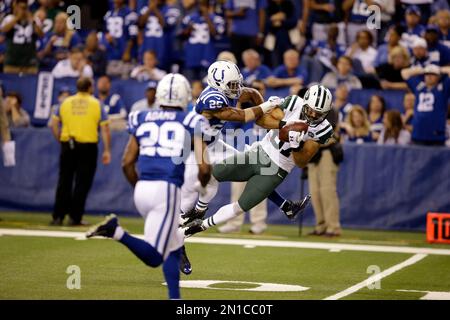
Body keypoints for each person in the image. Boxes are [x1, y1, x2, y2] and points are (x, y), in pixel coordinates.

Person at [86, 73, 212, 300]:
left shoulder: (141, 116)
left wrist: (139, 187)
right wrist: (203, 187)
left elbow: (126, 162)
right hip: (167, 190)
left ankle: (175, 298)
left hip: (142, 188)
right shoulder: (191, 119)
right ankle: (115, 231)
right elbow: (204, 168)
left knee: (173, 245)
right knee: (155, 257)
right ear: (184, 96)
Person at [182, 84, 334, 237]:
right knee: (213, 174)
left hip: (277, 169)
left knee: (241, 206)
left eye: (318, 113)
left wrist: (295, 145)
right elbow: (261, 121)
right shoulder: (294, 103)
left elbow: (301, 162)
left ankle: (200, 226)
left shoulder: (324, 130)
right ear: (304, 102)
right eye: (311, 110)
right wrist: (284, 126)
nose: (313, 115)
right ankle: (199, 211)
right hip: (259, 152)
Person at [50, 77, 111, 226]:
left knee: (64, 180)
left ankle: (58, 216)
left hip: (68, 144)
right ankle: (75, 217)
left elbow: (54, 123)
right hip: (88, 146)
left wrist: (60, 139)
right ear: (90, 87)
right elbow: (105, 128)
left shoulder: (65, 102)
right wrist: (107, 150)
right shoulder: (97, 104)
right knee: (82, 182)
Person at [308, 95, 342, 237]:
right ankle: (321, 225)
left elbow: (330, 135)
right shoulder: (307, 110)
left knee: (327, 191)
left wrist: (308, 140)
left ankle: (333, 227)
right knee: (315, 192)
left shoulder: (331, 110)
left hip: (326, 152)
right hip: (312, 153)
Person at [401, 64, 450, 146]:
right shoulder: (419, 87)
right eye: (427, 74)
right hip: (418, 132)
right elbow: (404, 73)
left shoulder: (443, 88)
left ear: (438, 77)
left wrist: (438, 69)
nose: (429, 76)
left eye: (433, 74)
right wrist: (423, 69)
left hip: (436, 132)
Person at [180, 0, 225, 81]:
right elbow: (181, 36)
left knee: (206, 86)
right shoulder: (189, 18)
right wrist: (188, 29)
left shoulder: (216, 19)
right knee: (190, 86)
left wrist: (206, 16)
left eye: (203, 4)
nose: (201, 7)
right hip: (191, 57)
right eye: (200, 4)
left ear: (208, 5)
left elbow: (215, 34)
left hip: (207, 57)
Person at [1, 0, 44, 74]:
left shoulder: (34, 20)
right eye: (21, 7)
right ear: (16, 7)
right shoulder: (9, 18)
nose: (23, 10)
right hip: (12, 60)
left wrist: (31, 20)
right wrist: (17, 18)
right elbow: (4, 30)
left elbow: (41, 34)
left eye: (24, 8)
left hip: (30, 61)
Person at [101, 0, 138, 78]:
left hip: (124, 56)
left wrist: (127, 52)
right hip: (111, 54)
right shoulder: (109, 13)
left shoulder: (130, 13)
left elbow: (133, 35)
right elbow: (105, 32)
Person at [225, 0, 267, 66]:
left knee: (252, 61)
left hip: (253, 34)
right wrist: (237, 13)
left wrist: (260, 33)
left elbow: (262, 13)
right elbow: (227, 13)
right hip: (236, 33)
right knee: (235, 62)